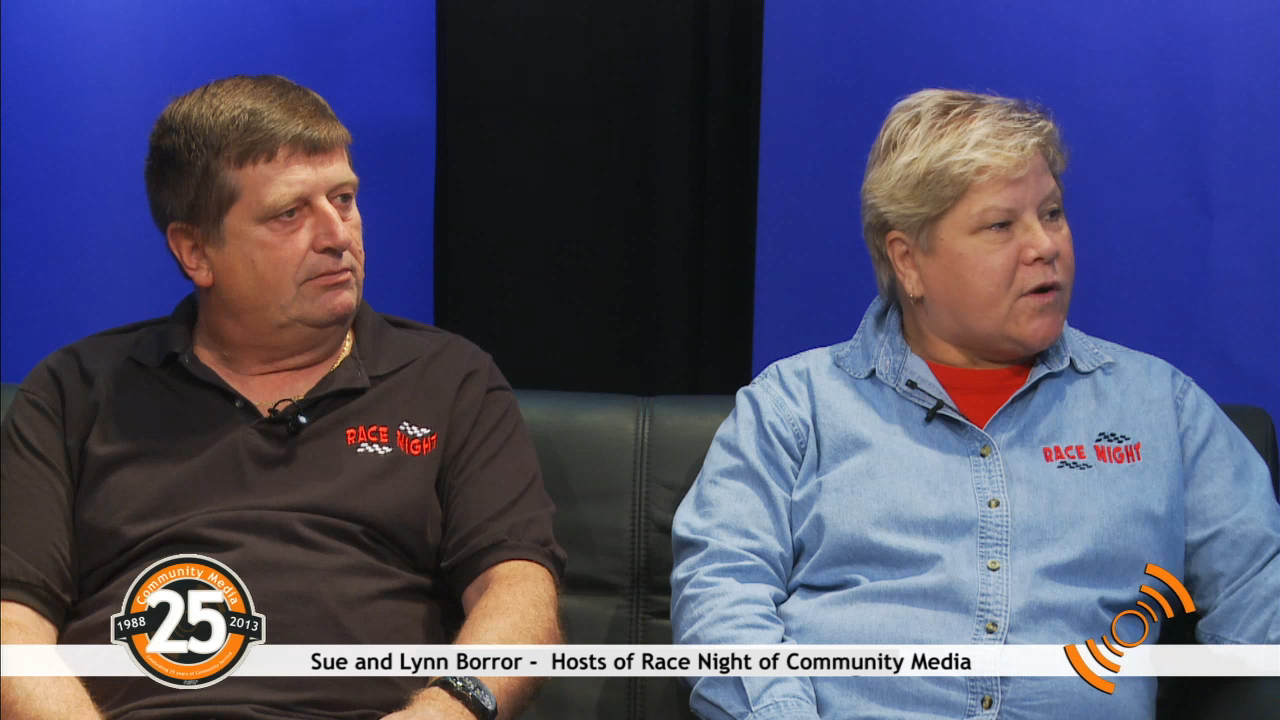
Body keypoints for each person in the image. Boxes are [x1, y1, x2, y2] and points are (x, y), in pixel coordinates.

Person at [670, 89, 1280, 719]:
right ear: (909, 261)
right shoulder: (795, 407)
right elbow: (722, 597)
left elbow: (1263, 601)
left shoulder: (1161, 408)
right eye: (1000, 226)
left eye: (1052, 213)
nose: (1044, 245)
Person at [0, 75, 565, 720]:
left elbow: (517, 591)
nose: (337, 235)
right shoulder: (75, 392)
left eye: (344, 199)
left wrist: (444, 712)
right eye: (289, 214)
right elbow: (12, 625)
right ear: (196, 251)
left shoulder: (450, 379)